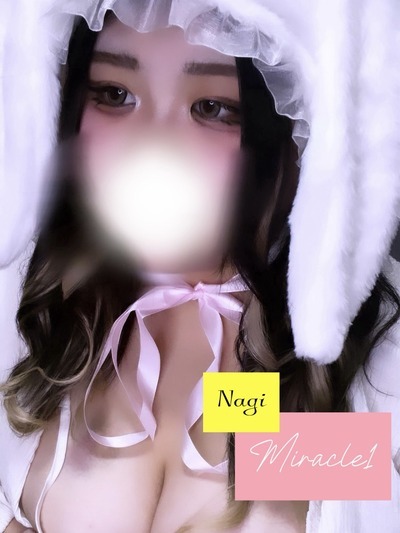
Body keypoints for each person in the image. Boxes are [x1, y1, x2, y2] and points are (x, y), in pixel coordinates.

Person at [0, 1, 399, 532]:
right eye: (114, 94)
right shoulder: (36, 304)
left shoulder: (371, 367)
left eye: (212, 107)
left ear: (295, 135)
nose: (152, 146)